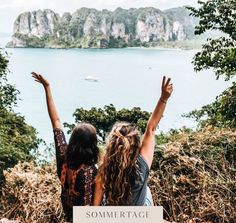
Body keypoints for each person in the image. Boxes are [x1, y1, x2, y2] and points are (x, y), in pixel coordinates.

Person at [93, 76, 173, 206]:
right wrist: (163, 98)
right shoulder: (141, 166)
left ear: (112, 146)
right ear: (136, 146)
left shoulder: (105, 168)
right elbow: (151, 129)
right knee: (146, 191)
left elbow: (95, 207)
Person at [31, 72, 98, 222]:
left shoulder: (63, 155)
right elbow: (87, 209)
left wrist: (47, 87)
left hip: (69, 213)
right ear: (92, 146)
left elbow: (55, 121)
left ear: (73, 141)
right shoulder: (88, 172)